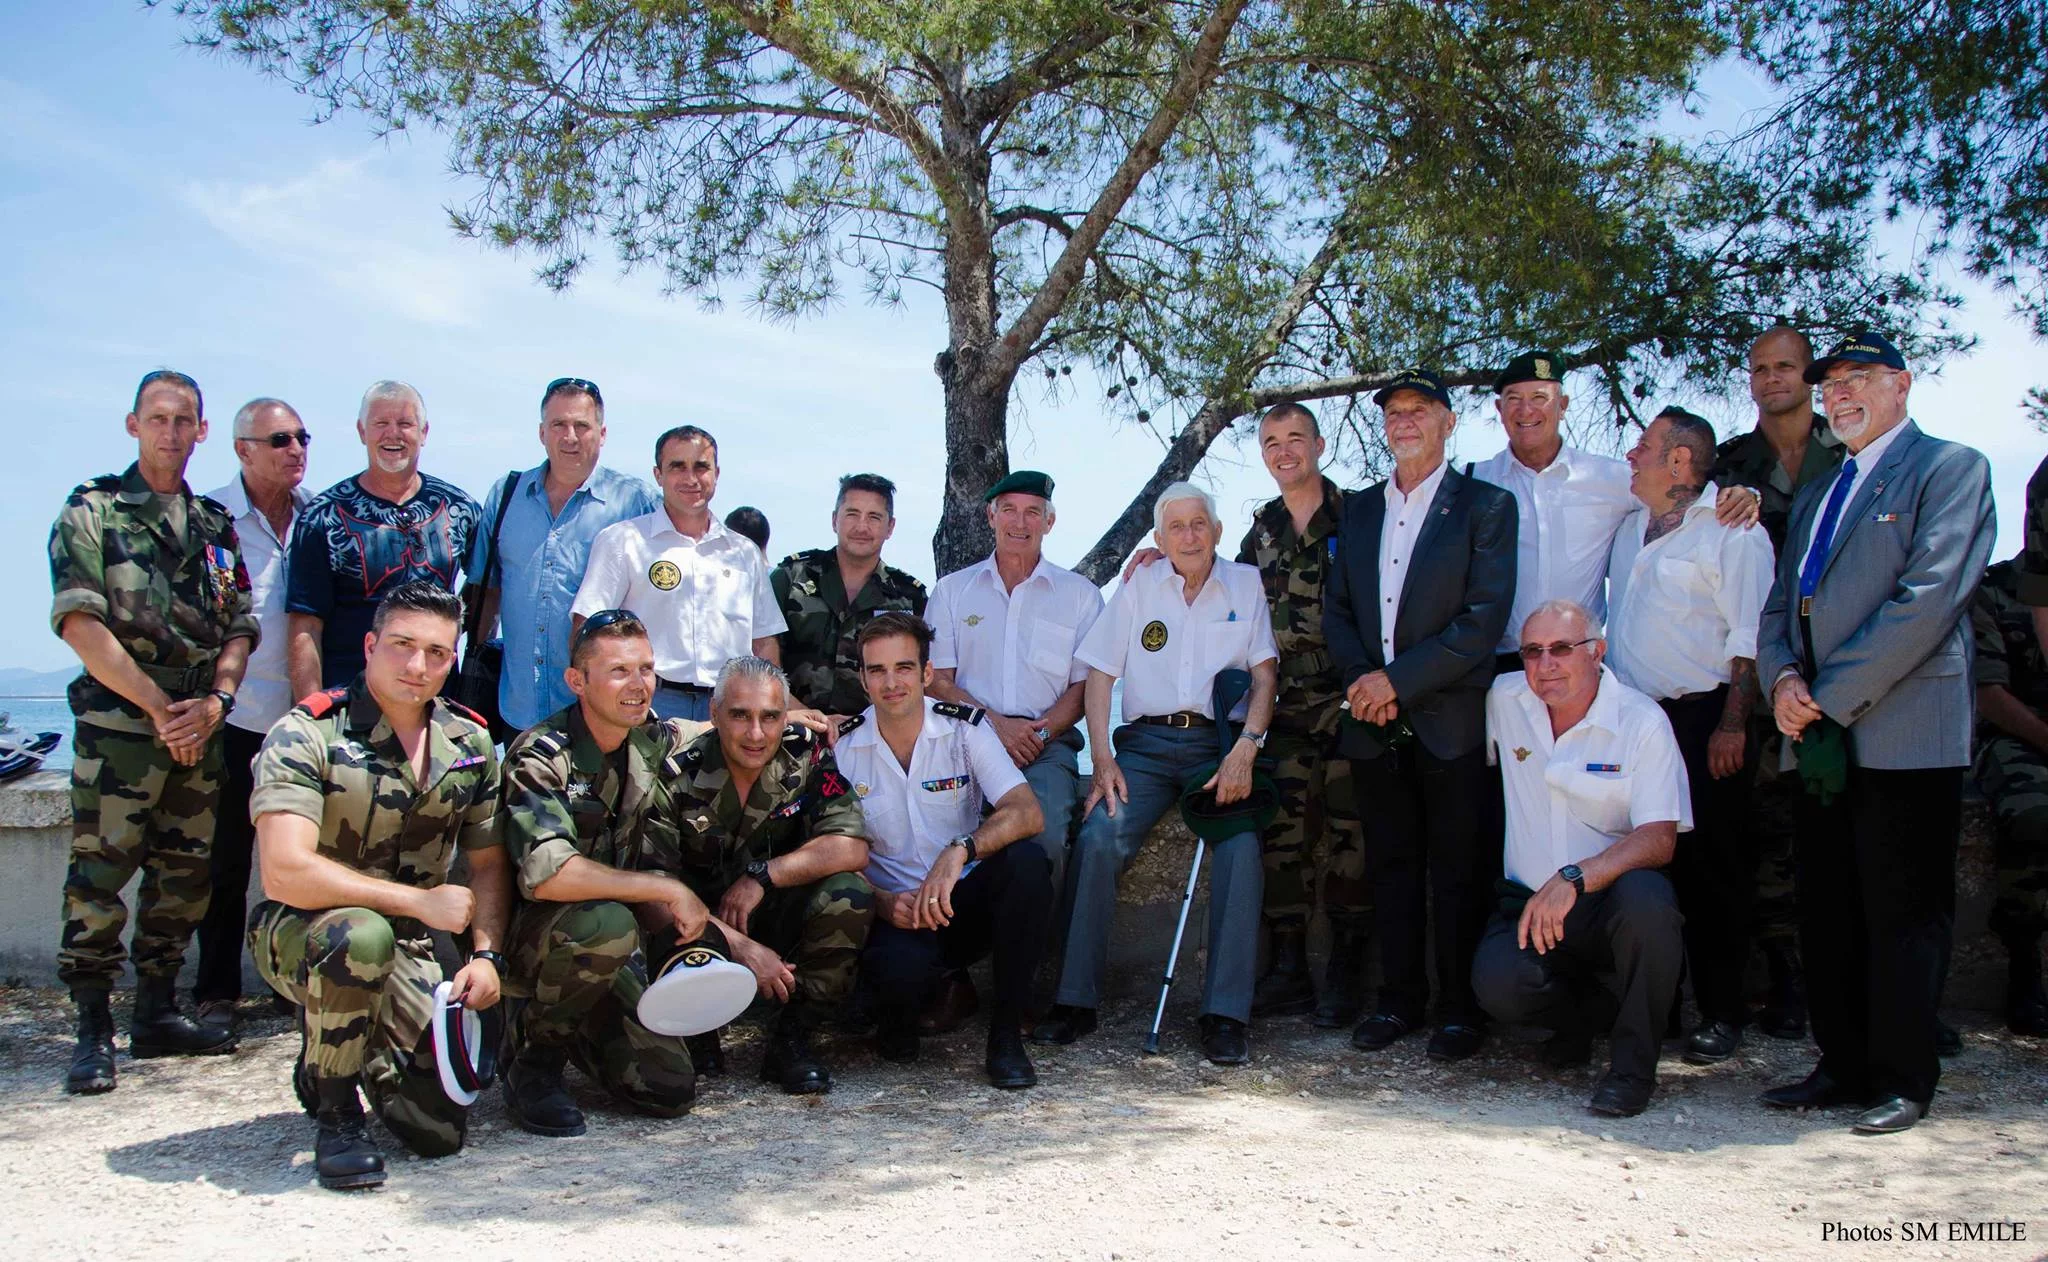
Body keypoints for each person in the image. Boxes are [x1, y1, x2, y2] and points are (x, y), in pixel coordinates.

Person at [1756, 330, 1995, 1135]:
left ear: (1902, 384)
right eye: (1832, 385)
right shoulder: (1826, 489)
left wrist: (1824, 694)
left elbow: (1928, 599)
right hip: (1820, 735)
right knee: (1830, 910)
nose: (1842, 395)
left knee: (1904, 910)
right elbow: (1779, 609)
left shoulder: (1948, 468)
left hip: (1903, 731)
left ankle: (1903, 1077)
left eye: (1859, 379)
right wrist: (1782, 681)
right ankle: (1843, 1064)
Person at [247, 581, 510, 1190]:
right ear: (369, 645)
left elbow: (489, 864)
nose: (418, 666)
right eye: (402, 645)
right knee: (360, 935)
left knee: (436, 1132)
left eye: (437, 653)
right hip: (304, 933)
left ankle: (329, 1053)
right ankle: (337, 1115)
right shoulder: (308, 733)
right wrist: (417, 901)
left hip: (408, 949)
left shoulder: (469, 742)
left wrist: (486, 955)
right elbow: (284, 869)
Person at [50, 367, 259, 1094]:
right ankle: (90, 1026)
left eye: (184, 421)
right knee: (101, 877)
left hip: (198, 731)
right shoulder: (94, 512)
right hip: (121, 731)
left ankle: (157, 1012)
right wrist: (156, 707)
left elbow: (241, 624)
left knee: (184, 876)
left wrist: (217, 701)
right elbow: (81, 622)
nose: (171, 433)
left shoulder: (212, 527)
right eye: (158, 418)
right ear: (134, 424)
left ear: (203, 432)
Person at [1031, 482, 1279, 1065]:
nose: (1189, 536)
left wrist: (1247, 748)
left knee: (1241, 846)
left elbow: (1265, 677)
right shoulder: (1141, 583)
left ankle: (1224, 1013)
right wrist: (1102, 761)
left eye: (1199, 525)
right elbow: (1099, 674)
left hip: (1218, 748)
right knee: (1097, 836)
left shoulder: (1244, 582)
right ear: (1159, 538)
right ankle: (1074, 1000)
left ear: (1215, 532)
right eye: (1176, 527)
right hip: (1142, 746)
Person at [1322, 371, 1518, 1061]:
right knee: (1392, 866)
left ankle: (1461, 1011)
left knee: (1459, 869)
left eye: (1419, 411)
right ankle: (1398, 1000)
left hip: (1450, 716)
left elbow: (1481, 620)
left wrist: (1396, 682)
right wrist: (1362, 683)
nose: (1405, 422)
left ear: (1448, 422)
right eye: (1394, 413)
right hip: (1372, 721)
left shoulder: (1487, 507)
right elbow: (1337, 611)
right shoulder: (1360, 510)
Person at [496, 609, 708, 1137]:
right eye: (619, 671)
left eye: (646, 669)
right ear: (577, 681)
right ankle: (531, 1059)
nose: (638, 685)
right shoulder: (541, 757)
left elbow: (711, 725)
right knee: (609, 921)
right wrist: (664, 889)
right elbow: (550, 875)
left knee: (669, 1089)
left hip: (600, 948)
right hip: (533, 940)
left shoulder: (647, 738)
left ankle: (578, 1019)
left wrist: (793, 716)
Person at [1474, 601, 1689, 1118]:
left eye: (1562, 649)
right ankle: (1586, 1020)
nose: (1545, 665)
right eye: (1532, 651)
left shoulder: (1641, 721)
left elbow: (1660, 837)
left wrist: (1576, 877)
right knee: (1498, 987)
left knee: (1650, 906)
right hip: (1528, 905)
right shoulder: (1505, 699)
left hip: (1606, 900)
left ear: (1597, 651)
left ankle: (1633, 1070)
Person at [1606, 407, 1773, 1065]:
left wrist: (1734, 723)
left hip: (1708, 721)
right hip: (1637, 724)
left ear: (1679, 461)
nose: (1630, 456)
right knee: (1652, 867)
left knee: (1716, 872)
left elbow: (1751, 636)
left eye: (1643, 446)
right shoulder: (1628, 528)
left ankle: (1724, 1013)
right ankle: (1660, 1010)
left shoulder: (1734, 531)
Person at [640, 656, 874, 1093]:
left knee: (848, 894)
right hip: (698, 930)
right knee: (667, 910)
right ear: (713, 715)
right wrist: (743, 948)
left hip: (771, 913)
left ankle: (794, 1036)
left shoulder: (803, 755)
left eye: (769, 717)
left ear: (785, 716)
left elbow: (851, 845)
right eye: (740, 715)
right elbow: (654, 896)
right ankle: (696, 1027)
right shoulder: (677, 775)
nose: (756, 733)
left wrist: (763, 876)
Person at [838, 612, 1050, 1086]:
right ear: (863, 680)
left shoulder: (964, 729)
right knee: (895, 1030)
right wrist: (880, 901)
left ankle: (1006, 1035)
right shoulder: (844, 748)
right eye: (877, 670)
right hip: (895, 915)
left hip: (958, 904)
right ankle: (918, 999)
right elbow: (829, 850)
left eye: (904, 667)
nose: (892, 683)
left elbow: (1026, 811)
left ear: (927, 674)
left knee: (1027, 865)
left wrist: (962, 850)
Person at [927, 469, 1102, 1027]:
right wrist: (994, 727)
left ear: (1049, 522)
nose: (1020, 522)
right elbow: (939, 681)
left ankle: (1021, 987)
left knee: (1044, 844)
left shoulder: (1080, 596)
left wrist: (1039, 733)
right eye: (1009, 510)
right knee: (931, 843)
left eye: (1033, 512)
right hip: (962, 743)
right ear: (990, 517)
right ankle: (945, 977)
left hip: (1045, 748)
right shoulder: (953, 592)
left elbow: (1083, 688)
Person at [1711, 325, 1844, 1040]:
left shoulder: (1851, 451)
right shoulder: (1731, 465)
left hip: (1847, 668)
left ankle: (1864, 985)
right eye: (1759, 368)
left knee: (1852, 830)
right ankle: (1788, 980)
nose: (1771, 379)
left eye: (1785, 367)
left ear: (1809, 376)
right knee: (1767, 830)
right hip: (1764, 672)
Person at [1473, 352, 1758, 673]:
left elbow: (1681, 490)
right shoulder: (1472, 481)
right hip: (1495, 662)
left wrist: (1742, 493)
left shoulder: (1612, 479)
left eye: (1540, 397)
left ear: (1563, 405)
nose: (1526, 410)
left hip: (1579, 667)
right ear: (1499, 409)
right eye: (1514, 399)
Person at [1235, 405, 1372, 1026]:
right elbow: (1222, 593)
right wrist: (1158, 560)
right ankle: (1289, 967)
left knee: (1355, 834)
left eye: (1295, 439)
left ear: (1319, 444)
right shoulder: (1258, 531)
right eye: (1271, 442)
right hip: (1283, 705)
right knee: (1281, 836)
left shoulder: (1364, 516)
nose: (1284, 451)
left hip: (1352, 699)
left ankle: (1348, 968)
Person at [192, 397, 313, 1035]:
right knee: (226, 862)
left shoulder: (322, 514)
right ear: (242, 449)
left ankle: (299, 985)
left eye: (301, 438)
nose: (295, 449)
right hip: (237, 718)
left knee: (307, 860)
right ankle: (216, 994)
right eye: (279, 440)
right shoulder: (209, 519)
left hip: (310, 724)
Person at [464, 376, 658, 731]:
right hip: (517, 707)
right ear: (542, 432)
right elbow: (486, 592)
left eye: (581, 425)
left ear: (601, 434)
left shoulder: (636, 502)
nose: (570, 436)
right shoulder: (506, 495)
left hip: (603, 713)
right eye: (559, 425)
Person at [572, 426, 785, 721]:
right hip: (649, 704)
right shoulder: (623, 542)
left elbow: (763, 642)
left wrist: (771, 709)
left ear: (716, 474)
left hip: (729, 709)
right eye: (677, 467)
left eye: (701, 467)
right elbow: (587, 629)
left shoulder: (744, 553)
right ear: (658, 475)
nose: (691, 478)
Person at [287, 380, 481, 695]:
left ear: (424, 432)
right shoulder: (323, 515)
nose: (393, 434)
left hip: (435, 698)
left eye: (405, 423)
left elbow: (485, 593)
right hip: (350, 700)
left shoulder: (460, 508)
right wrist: (311, 710)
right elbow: (305, 624)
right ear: (362, 431)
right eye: (381, 424)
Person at [1969, 551, 2048, 1036]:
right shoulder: (1995, 589)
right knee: (2034, 811)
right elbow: (1990, 694)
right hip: (2018, 738)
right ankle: (2025, 962)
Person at [772, 473, 928, 717]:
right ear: (835, 520)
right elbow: (761, 660)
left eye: (874, 517)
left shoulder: (910, 596)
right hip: (791, 729)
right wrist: (809, 718)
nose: (862, 527)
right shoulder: (791, 578)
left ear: (890, 527)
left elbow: (918, 679)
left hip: (873, 740)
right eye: (852, 514)